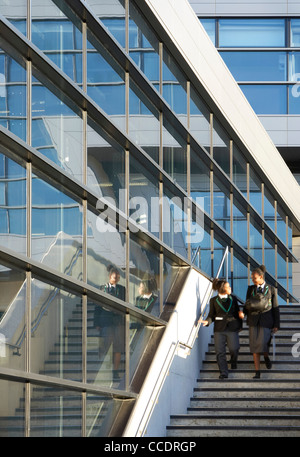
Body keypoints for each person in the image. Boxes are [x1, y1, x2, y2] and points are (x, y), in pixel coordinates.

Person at [200, 278, 244, 379]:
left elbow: (238, 311)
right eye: (228, 286)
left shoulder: (233, 298)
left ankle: (233, 360)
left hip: (232, 327)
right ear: (222, 288)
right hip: (219, 329)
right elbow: (211, 314)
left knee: (234, 348)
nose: (230, 288)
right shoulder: (213, 300)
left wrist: (240, 317)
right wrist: (207, 322)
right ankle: (223, 372)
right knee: (220, 352)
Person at [244, 265, 280, 379]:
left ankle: (266, 356)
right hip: (253, 320)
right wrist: (243, 313)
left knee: (263, 344)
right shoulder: (250, 289)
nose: (252, 280)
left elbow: (275, 308)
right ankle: (257, 372)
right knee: (255, 346)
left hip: (266, 321)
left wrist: (276, 324)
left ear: (261, 277)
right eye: (251, 278)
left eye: (254, 278)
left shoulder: (271, 289)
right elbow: (247, 304)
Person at [94, 265, 125, 382]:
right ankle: (103, 370)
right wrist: (96, 322)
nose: (116, 278)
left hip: (117, 323)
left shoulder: (122, 289)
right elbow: (98, 306)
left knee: (117, 347)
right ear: (109, 276)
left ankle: (115, 371)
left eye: (117, 277)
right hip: (106, 321)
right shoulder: (102, 288)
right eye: (114, 276)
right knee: (106, 345)